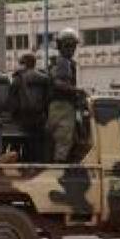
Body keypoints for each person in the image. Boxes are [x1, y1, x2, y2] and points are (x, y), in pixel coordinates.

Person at [46, 28, 84, 163]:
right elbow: (58, 83)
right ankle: (59, 167)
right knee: (64, 138)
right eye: (68, 46)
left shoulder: (61, 61)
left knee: (66, 138)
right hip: (62, 105)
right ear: (60, 46)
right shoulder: (63, 62)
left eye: (72, 46)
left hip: (60, 106)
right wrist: (77, 91)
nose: (71, 49)